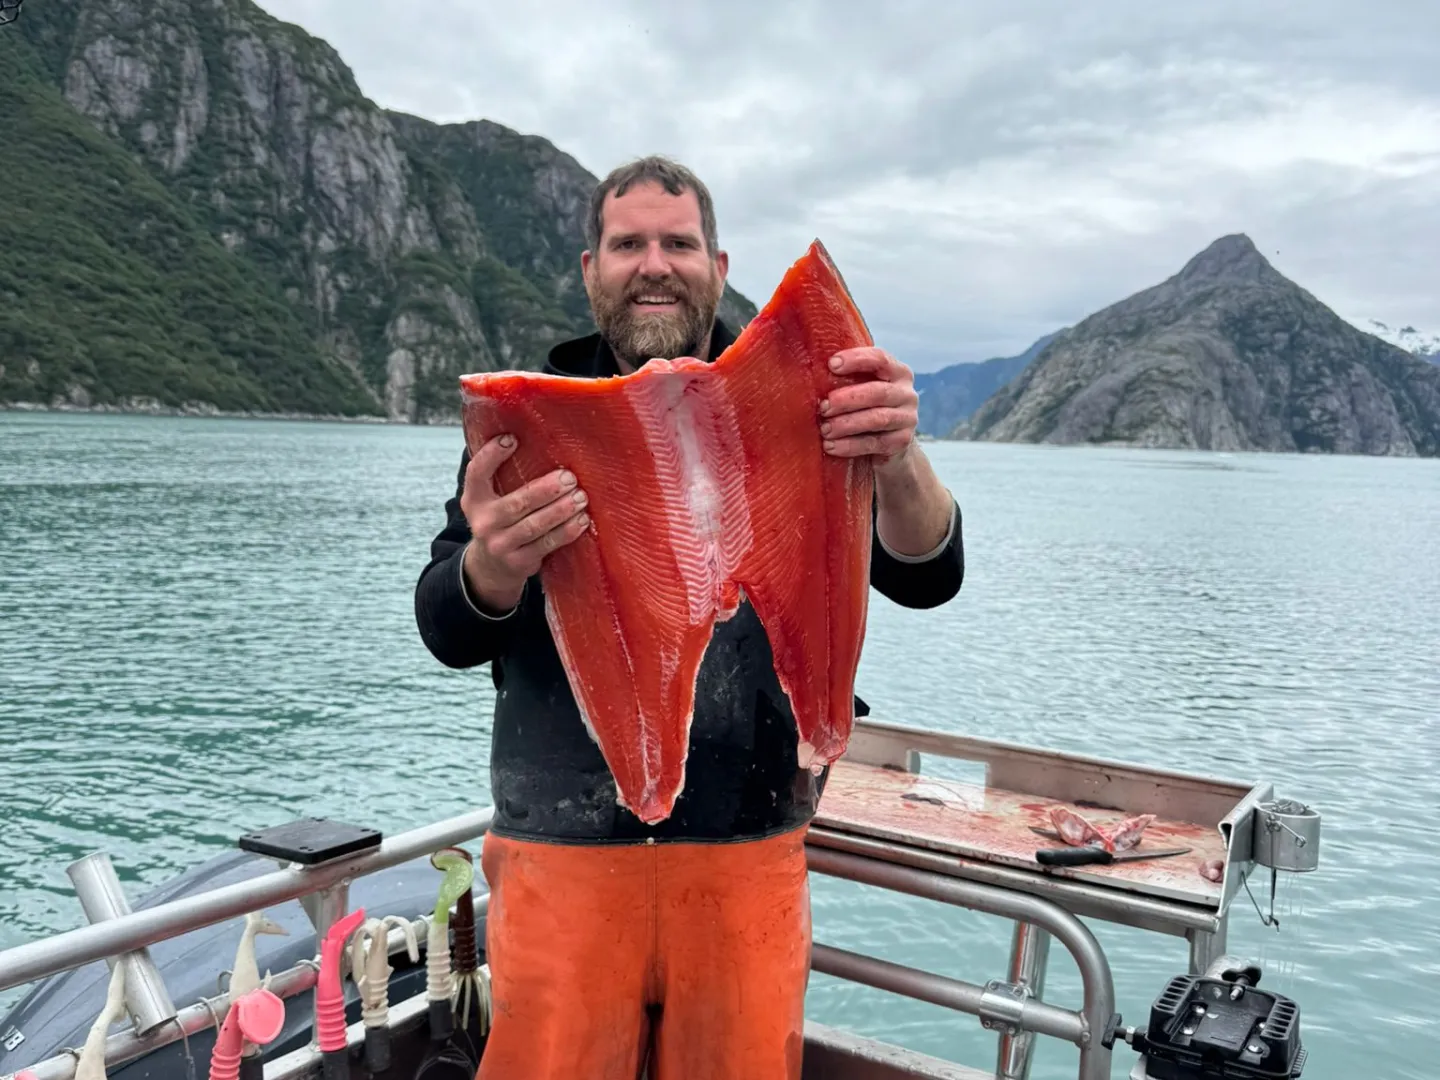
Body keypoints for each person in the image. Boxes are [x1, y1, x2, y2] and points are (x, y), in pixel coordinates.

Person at [414, 155, 965, 1080]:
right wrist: (491, 563)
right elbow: (447, 625)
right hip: (561, 856)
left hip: (749, 852)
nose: (654, 263)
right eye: (628, 244)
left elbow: (926, 575)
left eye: (678, 242)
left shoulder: (808, 399)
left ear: (718, 263)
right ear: (591, 270)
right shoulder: (533, 424)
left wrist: (897, 455)